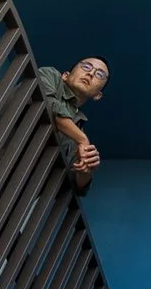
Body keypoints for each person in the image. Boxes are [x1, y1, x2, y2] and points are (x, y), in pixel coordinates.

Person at [35, 57, 108, 192]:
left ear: (98, 95)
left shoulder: (78, 133)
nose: (91, 73)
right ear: (65, 76)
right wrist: (82, 140)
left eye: (99, 74)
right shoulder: (49, 74)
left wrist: (86, 168)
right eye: (86, 67)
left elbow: (79, 187)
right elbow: (49, 106)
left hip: (20, 187)